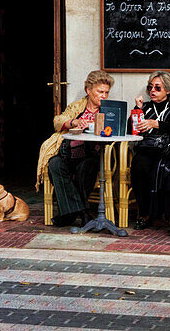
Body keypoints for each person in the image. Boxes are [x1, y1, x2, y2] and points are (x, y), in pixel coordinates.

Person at [35, 70, 113, 227]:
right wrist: (73, 122)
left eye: (106, 92)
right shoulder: (77, 106)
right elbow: (58, 120)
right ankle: (83, 212)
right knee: (55, 165)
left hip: (93, 154)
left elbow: (115, 129)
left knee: (86, 167)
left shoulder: (109, 109)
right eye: (100, 91)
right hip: (69, 153)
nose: (103, 96)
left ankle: (69, 215)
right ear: (88, 90)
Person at [132, 71, 170, 237]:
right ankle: (145, 213)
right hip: (147, 149)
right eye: (150, 87)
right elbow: (134, 130)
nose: (152, 91)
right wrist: (138, 109)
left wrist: (157, 124)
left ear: (168, 90)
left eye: (157, 88)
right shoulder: (146, 107)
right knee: (139, 165)